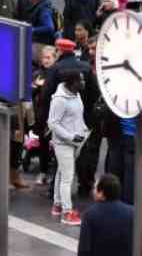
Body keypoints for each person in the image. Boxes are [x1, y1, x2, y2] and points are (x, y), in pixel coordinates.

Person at [49, 69, 88, 226]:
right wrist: (70, 136)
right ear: (72, 83)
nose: (83, 83)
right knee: (67, 177)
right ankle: (67, 213)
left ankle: (57, 204)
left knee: (61, 172)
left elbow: (77, 116)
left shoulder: (76, 94)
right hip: (64, 143)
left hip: (74, 142)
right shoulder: (59, 100)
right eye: (81, 80)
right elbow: (52, 123)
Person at [78, 173, 133, 256]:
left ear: (101, 193)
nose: (93, 191)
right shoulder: (132, 213)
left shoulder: (90, 215)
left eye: (95, 188)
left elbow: (84, 250)